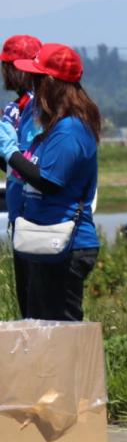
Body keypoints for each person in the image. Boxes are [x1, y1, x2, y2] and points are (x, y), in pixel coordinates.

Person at [1, 44, 101, 320]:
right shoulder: (54, 126)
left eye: (37, 79)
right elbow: (26, 170)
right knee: (39, 327)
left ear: (52, 83)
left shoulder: (71, 128)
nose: (32, 86)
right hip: (44, 239)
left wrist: (11, 152)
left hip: (66, 243)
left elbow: (48, 180)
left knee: (61, 330)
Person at [0, 34, 43, 312]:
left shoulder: (37, 108)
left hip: (36, 216)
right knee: (27, 301)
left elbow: (33, 164)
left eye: (5, 66)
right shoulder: (15, 108)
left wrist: (8, 150)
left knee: (36, 304)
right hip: (20, 214)